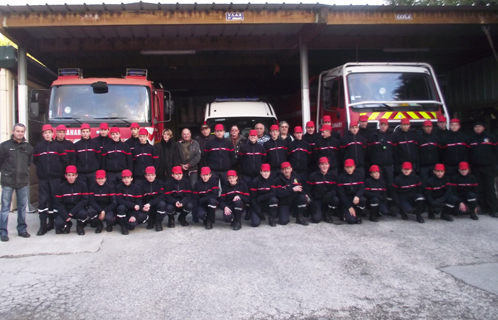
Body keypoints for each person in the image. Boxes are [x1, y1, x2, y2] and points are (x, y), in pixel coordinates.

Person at [0, 123, 33, 242]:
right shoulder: (4, 146)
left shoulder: (28, 148)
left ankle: (22, 229)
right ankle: (3, 232)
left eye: (22, 131)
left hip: (22, 181)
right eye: (18, 131)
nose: (20, 133)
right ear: (13, 131)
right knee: (5, 208)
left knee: (22, 207)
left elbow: (29, 163)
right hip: (8, 181)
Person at [33, 124, 69, 236]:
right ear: (43, 134)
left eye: (49, 132)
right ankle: (43, 225)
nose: (47, 134)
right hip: (43, 179)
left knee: (55, 201)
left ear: (52, 134)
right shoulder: (38, 147)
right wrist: (41, 172)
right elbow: (35, 161)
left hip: (55, 179)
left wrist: (58, 172)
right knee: (43, 202)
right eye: (45, 133)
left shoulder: (58, 147)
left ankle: (53, 223)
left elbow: (65, 161)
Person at [468, 120, 498, 217]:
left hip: (488, 167)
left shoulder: (491, 138)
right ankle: (483, 207)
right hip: (476, 168)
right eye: (476, 127)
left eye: (480, 126)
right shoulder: (471, 139)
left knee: (490, 188)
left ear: (483, 127)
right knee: (479, 188)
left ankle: (493, 209)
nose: (478, 128)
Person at [367, 118, 395, 211]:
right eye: (381, 124)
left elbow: (394, 151)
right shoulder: (373, 136)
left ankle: (389, 207)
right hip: (377, 165)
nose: (383, 126)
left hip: (388, 165)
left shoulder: (391, 137)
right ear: (379, 125)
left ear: (387, 126)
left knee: (389, 186)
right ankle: (379, 207)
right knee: (379, 186)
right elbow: (369, 151)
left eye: (385, 125)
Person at [54, 165, 89, 235]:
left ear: (76, 175)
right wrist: (65, 216)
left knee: (83, 214)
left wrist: (73, 211)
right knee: (58, 224)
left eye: (73, 175)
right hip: (66, 209)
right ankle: (68, 224)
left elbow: (85, 200)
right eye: (69, 175)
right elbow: (58, 203)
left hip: (77, 208)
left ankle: (79, 226)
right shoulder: (61, 187)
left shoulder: (82, 185)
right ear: (65, 176)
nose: (71, 178)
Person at [306, 157, 340, 224]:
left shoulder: (333, 175)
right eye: (322, 164)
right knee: (316, 220)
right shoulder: (313, 176)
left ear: (329, 165)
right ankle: (319, 212)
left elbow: (336, 188)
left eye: (326, 164)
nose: (324, 166)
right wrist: (311, 202)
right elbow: (308, 190)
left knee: (336, 200)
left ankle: (327, 214)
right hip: (317, 199)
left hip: (328, 198)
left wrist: (330, 194)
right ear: (319, 165)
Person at [275, 162, 310, 226]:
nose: (286, 171)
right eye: (284, 169)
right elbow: (279, 194)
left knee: (302, 197)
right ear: (281, 171)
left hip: (294, 201)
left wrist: (305, 194)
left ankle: (299, 217)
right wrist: (292, 189)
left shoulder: (296, 177)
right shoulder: (277, 180)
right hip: (284, 202)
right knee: (283, 222)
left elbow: (300, 188)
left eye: (288, 168)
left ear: (291, 169)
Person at [115, 169, 145, 235]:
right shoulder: (118, 187)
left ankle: (128, 223)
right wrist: (133, 205)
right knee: (121, 207)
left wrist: (134, 216)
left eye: (128, 178)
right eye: (124, 178)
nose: (126, 180)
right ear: (122, 179)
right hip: (123, 210)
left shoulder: (137, 188)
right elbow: (119, 200)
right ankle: (123, 226)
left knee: (132, 226)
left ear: (131, 179)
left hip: (132, 211)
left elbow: (139, 203)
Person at [337, 159, 366, 225]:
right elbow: (341, 194)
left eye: (351, 167)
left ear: (354, 167)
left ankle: (358, 215)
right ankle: (345, 213)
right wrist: (349, 207)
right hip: (346, 200)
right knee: (351, 221)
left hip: (355, 199)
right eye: (347, 167)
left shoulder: (358, 176)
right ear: (344, 167)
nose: (349, 169)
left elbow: (362, 188)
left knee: (363, 200)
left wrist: (357, 196)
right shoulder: (341, 178)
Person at [141, 166, 167, 231]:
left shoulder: (160, 183)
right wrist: (143, 206)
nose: (150, 177)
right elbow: (139, 199)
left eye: (152, 175)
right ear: (145, 176)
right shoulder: (141, 185)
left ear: (155, 175)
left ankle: (158, 223)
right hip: (147, 207)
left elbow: (161, 196)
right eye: (148, 175)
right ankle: (151, 221)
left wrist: (150, 203)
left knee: (162, 204)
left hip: (156, 204)